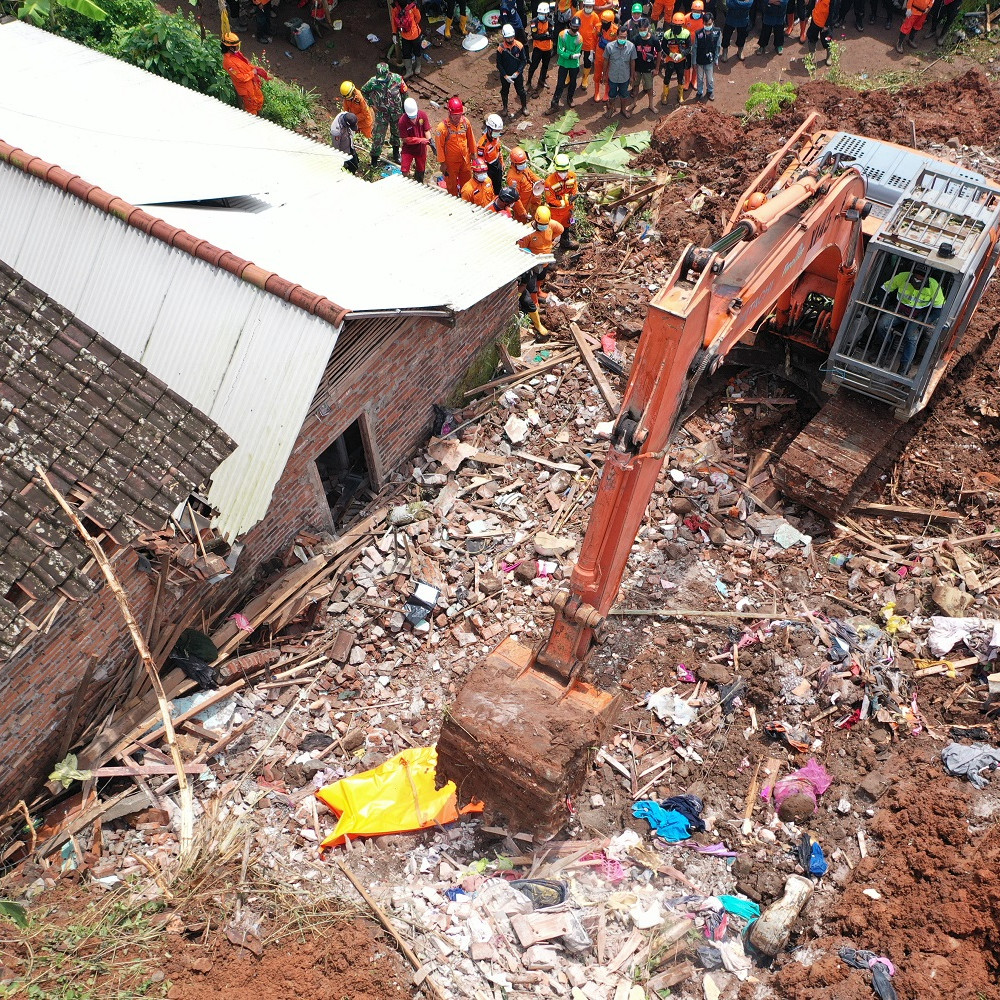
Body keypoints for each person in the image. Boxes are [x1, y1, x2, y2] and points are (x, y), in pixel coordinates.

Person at [875, 265, 945, 373]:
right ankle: (883, 352)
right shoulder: (903, 277)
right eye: (916, 277)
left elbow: (938, 309)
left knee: (912, 337)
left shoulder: (934, 286)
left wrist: (925, 321)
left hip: (917, 316)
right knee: (882, 324)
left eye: (921, 279)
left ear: (927, 278)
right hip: (899, 311)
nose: (917, 280)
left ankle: (904, 367)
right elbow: (884, 289)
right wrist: (882, 305)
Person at [517, 205, 564, 337]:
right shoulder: (526, 232)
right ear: (535, 221)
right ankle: (534, 301)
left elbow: (559, 229)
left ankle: (539, 291)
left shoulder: (551, 225)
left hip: (545, 260)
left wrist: (550, 243)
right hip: (532, 264)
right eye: (541, 224)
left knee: (541, 278)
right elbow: (522, 250)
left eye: (545, 224)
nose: (543, 227)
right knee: (530, 285)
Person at [362, 63, 407, 164]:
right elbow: (364, 91)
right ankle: (374, 159)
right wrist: (371, 104)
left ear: (388, 73)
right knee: (378, 136)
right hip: (382, 114)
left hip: (396, 112)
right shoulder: (373, 82)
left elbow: (404, 94)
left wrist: (405, 110)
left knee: (396, 134)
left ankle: (396, 154)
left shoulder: (398, 79)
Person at [435, 96, 478, 196]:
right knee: (451, 186)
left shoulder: (465, 123)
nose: (458, 117)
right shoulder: (442, 128)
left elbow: (471, 138)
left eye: (460, 115)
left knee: (467, 185)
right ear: (449, 113)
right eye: (455, 115)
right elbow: (439, 146)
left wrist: (474, 154)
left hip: (465, 160)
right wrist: (443, 163)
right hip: (450, 164)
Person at [221, 32, 270, 116]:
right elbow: (240, 77)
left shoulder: (236, 55)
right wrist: (252, 72)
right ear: (230, 48)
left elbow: (246, 64)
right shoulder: (228, 62)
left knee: (259, 101)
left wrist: (256, 69)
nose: (237, 47)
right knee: (251, 109)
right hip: (246, 89)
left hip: (252, 84)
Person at [544, 152, 579, 248]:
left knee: (566, 227)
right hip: (556, 212)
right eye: (560, 171)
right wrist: (566, 200)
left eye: (565, 171)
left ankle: (565, 242)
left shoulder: (572, 176)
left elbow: (574, 190)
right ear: (556, 169)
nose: (563, 173)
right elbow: (551, 200)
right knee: (552, 230)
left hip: (568, 211)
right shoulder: (549, 182)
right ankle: (546, 246)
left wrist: (574, 196)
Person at [550, 16, 584, 109]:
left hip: (574, 65)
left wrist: (566, 52)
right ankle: (555, 103)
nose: (575, 28)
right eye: (573, 26)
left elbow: (577, 53)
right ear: (570, 25)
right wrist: (571, 55)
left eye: (577, 27)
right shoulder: (562, 34)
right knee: (560, 84)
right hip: (563, 63)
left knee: (573, 83)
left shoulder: (579, 38)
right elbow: (559, 51)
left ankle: (570, 98)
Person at [497, 25, 529, 116]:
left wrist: (517, 72)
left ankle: (524, 106)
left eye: (511, 37)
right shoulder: (500, 49)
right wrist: (505, 76)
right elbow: (499, 64)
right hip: (505, 75)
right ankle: (505, 108)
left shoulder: (519, 46)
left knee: (521, 91)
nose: (510, 40)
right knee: (504, 91)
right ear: (504, 37)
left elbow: (524, 60)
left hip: (517, 74)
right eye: (508, 38)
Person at [604, 28, 636, 117]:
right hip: (613, 76)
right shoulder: (609, 46)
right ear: (617, 36)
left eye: (624, 37)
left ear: (627, 37)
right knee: (612, 94)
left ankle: (623, 110)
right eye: (620, 37)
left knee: (624, 94)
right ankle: (611, 109)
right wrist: (604, 74)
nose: (622, 39)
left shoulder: (631, 46)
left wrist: (632, 76)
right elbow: (606, 61)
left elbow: (632, 61)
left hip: (624, 77)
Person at [658, 12, 690, 102]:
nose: (677, 27)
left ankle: (680, 95)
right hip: (670, 59)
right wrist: (671, 54)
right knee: (667, 76)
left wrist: (681, 55)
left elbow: (689, 47)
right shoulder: (667, 34)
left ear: (683, 24)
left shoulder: (686, 34)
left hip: (681, 59)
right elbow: (663, 46)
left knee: (680, 76)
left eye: (679, 25)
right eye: (675, 25)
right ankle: (665, 94)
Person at [399, 97, 431, 182]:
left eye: (414, 116)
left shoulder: (422, 115)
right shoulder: (402, 121)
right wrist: (420, 140)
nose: (413, 119)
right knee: (404, 169)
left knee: (421, 169)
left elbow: (426, 130)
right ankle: (406, 181)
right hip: (408, 149)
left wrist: (430, 141)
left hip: (421, 149)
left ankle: (419, 181)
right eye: (411, 117)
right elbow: (405, 139)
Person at [508, 146, 545, 216]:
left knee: (537, 212)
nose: (523, 165)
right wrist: (522, 212)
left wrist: (539, 180)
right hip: (523, 202)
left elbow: (531, 174)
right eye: (520, 164)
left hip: (532, 196)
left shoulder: (523, 168)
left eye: (524, 162)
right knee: (522, 220)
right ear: (514, 163)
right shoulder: (513, 178)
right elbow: (515, 197)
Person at [632, 17, 659, 111]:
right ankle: (633, 103)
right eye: (640, 30)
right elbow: (632, 56)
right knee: (635, 87)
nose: (642, 32)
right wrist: (633, 71)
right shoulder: (635, 39)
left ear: (648, 28)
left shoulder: (654, 40)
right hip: (637, 68)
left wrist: (657, 68)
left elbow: (659, 53)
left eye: (644, 30)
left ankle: (651, 105)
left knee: (649, 88)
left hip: (648, 68)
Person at [528, 3, 556, 90]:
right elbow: (534, 36)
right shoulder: (534, 22)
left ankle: (542, 80)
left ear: (547, 14)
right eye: (540, 13)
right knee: (533, 65)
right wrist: (546, 35)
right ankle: (528, 81)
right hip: (537, 49)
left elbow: (552, 36)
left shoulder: (551, 22)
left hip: (547, 49)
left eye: (543, 14)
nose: (541, 15)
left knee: (545, 65)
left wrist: (542, 36)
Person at [392, 0, 423, 77]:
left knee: (416, 51)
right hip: (405, 35)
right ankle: (409, 71)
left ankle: (418, 66)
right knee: (406, 53)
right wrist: (394, 33)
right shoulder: (396, 9)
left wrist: (413, 26)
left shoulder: (412, 7)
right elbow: (394, 22)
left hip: (414, 34)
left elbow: (418, 18)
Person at [693, 12, 720, 100]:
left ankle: (710, 91)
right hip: (700, 60)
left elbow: (718, 47)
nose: (707, 26)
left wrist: (716, 59)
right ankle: (699, 92)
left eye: (709, 24)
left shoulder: (717, 32)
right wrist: (694, 62)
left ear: (713, 22)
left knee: (710, 79)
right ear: (703, 23)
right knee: (700, 78)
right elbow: (695, 48)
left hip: (710, 60)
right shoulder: (698, 33)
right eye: (706, 24)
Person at [593, 10, 618, 101]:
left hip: (610, 55)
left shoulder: (615, 30)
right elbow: (594, 39)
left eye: (606, 22)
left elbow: (617, 43)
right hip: (599, 53)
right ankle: (596, 92)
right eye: (602, 21)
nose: (604, 23)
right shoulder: (598, 27)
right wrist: (592, 51)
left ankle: (606, 93)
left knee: (608, 74)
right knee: (597, 74)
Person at [478, 114, 506, 191]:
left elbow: (498, 150)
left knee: (498, 186)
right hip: (488, 168)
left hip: (497, 164)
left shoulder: (496, 138)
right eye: (496, 131)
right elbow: (481, 162)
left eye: (499, 131)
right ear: (489, 129)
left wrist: (502, 162)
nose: (497, 133)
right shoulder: (482, 144)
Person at [578, 0, 603, 90]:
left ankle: (585, 78)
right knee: (574, 60)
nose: (588, 8)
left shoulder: (595, 16)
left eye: (590, 6)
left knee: (587, 62)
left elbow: (598, 28)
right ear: (584, 5)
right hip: (578, 43)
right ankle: (569, 76)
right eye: (587, 6)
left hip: (590, 44)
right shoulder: (578, 14)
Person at [682, 0, 704, 86]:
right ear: (691, 10)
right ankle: (687, 81)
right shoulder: (686, 18)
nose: (696, 13)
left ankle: (694, 80)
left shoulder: (705, 18)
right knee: (687, 63)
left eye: (698, 11)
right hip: (687, 44)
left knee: (696, 63)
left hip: (699, 45)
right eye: (694, 11)